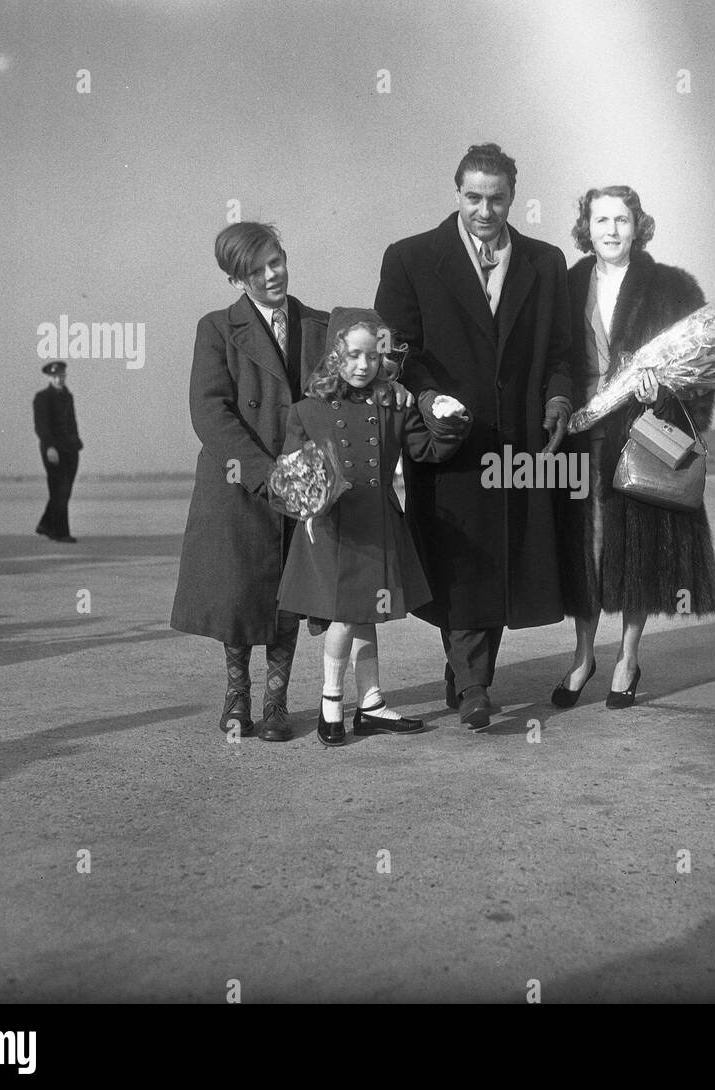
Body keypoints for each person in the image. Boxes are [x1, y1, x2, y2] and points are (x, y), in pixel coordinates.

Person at [375, 142, 574, 731]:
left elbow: (561, 351)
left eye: (497, 198)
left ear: (514, 196)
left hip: (517, 442)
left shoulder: (546, 262)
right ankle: (474, 684)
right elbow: (397, 348)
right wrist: (430, 394)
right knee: (461, 558)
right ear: (456, 191)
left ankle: (467, 678)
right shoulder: (410, 258)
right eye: (473, 198)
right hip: (447, 441)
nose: (485, 210)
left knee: (500, 556)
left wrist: (559, 397)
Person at [552, 185, 715, 709]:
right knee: (585, 551)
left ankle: (627, 656)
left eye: (621, 220)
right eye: (600, 219)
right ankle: (583, 656)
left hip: (641, 435)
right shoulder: (565, 283)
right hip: (579, 438)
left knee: (636, 548)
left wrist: (666, 393)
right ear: (587, 226)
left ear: (637, 225)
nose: (610, 230)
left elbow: (703, 368)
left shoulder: (672, 288)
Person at [275, 309, 472, 746]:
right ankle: (331, 703)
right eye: (352, 356)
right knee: (346, 617)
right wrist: (307, 503)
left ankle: (371, 703)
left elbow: (427, 448)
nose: (363, 365)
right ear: (334, 358)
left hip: (377, 524)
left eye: (371, 356)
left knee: (366, 618)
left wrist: (446, 415)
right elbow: (291, 471)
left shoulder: (392, 405)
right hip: (331, 529)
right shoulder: (308, 410)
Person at [170, 222, 331, 743]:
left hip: (300, 485)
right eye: (255, 271)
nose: (271, 276)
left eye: (276, 261)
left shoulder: (321, 325)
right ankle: (236, 696)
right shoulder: (216, 329)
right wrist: (266, 473)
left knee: (289, 596)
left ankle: (277, 703)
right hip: (238, 484)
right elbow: (209, 411)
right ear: (236, 280)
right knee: (239, 595)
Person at [33, 361, 82, 543]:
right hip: (53, 450)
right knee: (59, 490)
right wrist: (50, 447)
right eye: (55, 376)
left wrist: (76, 442)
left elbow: (72, 421)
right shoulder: (42, 398)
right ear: (49, 378)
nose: (59, 379)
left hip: (70, 449)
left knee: (64, 491)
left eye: (62, 375)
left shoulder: (68, 397)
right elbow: (42, 426)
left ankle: (45, 525)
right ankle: (61, 533)